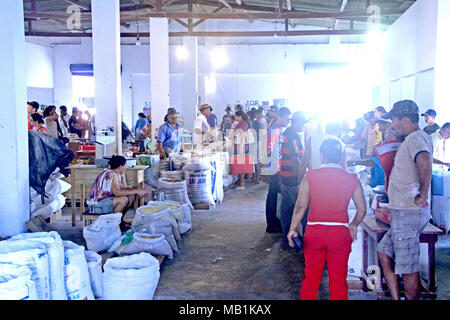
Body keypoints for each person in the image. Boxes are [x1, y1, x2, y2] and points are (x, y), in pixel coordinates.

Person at [287, 139, 367, 300]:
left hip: (314, 232)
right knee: (338, 280)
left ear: (322, 156)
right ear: (341, 156)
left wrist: (293, 228)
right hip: (340, 233)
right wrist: (354, 224)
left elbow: (301, 206)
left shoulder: (310, 176)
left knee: (311, 278)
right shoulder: (351, 178)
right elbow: (362, 209)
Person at [377, 100, 433, 300]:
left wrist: (423, 195)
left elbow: (425, 160)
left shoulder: (417, 138)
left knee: (408, 268)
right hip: (402, 212)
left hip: (408, 212)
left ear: (404, 119)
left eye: (394, 120)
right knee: (384, 252)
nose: (392, 124)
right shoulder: (411, 139)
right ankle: (395, 297)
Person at [87, 155, 149, 230]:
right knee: (123, 200)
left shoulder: (117, 174)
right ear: (120, 167)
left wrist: (136, 190)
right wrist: (137, 190)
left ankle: (120, 221)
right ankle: (114, 225)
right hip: (96, 204)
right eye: (125, 166)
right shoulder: (110, 174)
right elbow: (117, 193)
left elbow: (124, 188)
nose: (126, 167)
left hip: (105, 201)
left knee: (131, 195)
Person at [279, 111, 309, 248]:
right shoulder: (293, 137)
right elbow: (296, 159)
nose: (303, 126)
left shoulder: (286, 133)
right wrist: (300, 180)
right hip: (292, 177)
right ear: (296, 122)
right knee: (296, 208)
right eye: (302, 123)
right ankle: (292, 239)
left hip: (285, 176)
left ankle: (287, 236)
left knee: (287, 208)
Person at [263, 107, 291, 233]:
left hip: (277, 166)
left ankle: (274, 222)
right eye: (286, 119)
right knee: (273, 195)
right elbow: (269, 151)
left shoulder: (279, 130)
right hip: (275, 167)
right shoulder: (274, 131)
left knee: (275, 194)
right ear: (279, 117)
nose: (288, 121)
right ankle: (272, 224)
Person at [229, 110, 255, 189]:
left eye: (236, 116)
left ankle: (242, 183)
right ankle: (240, 181)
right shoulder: (242, 123)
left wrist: (240, 147)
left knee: (241, 165)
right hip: (240, 146)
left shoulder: (242, 124)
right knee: (240, 164)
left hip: (241, 147)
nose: (235, 117)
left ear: (240, 116)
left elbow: (242, 136)